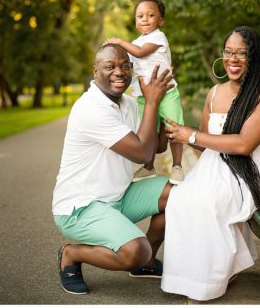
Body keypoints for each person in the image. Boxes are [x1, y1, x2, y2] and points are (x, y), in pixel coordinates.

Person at [160, 26, 260, 301]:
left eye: (241, 53)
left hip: (256, 169)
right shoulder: (215, 92)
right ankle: (191, 277)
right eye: (228, 52)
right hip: (218, 164)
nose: (233, 58)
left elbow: (244, 144)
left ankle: (213, 279)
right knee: (181, 199)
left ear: (254, 58)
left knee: (208, 202)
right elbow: (206, 141)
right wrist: (178, 132)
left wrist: (192, 134)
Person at [52, 43, 174, 295]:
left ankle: (146, 264)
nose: (119, 72)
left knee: (178, 196)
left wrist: (167, 111)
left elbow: (154, 148)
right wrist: (151, 102)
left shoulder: (127, 104)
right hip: (80, 208)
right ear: (95, 71)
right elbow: (141, 151)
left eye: (125, 66)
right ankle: (71, 254)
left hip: (117, 197)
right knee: (135, 251)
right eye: (110, 66)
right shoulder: (91, 108)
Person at [105, 0, 187, 184]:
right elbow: (129, 61)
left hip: (166, 93)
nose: (144, 19)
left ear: (160, 21)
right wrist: (112, 50)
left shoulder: (158, 37)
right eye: (140, 16)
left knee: (174, 128)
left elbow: (140, 52)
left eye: (151, 15)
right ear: (135, 20)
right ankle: (148, 168)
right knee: (147, 132)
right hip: (143, 96)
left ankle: (177, 166)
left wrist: (119, 41)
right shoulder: (135, 42)